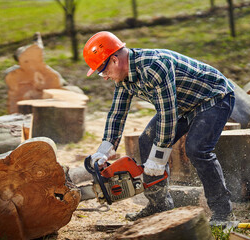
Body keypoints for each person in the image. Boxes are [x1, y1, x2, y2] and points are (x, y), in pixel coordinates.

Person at [83, 31, 235, 225]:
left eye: (103, 70)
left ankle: (223, 213)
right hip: (182, 104)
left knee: (197, 149)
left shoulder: (154, 66)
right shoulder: (123, 79)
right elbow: (117, 114)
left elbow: (168, 114)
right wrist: (105, 149)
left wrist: (158, 158)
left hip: (213, 97)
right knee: (146, 140)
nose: (104, 77)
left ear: (114, 60)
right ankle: (159, 205)